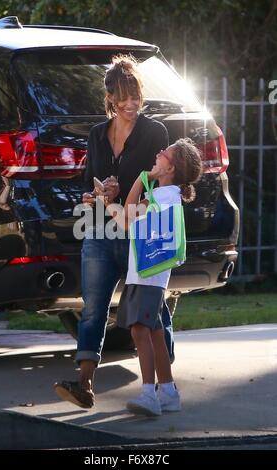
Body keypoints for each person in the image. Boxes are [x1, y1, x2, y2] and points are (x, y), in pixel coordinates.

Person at [54, 54, 174, 408]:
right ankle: (84, 385)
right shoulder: (96, 135)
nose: (131, 103)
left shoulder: (155, 132)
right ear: (109, 98)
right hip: (99, 231)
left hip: (139, 233)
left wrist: (121, 191)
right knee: (92, 309)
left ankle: (165, 387)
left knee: (153, 311)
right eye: (123, 97)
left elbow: (159, 182)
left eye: (135, 94)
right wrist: (94, 195)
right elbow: (86, 186)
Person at [101, 138, 202, 416]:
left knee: (139, 330)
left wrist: (139, 179)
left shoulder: (163, 196)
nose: (158, 153)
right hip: (149, 275)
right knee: (155, 333)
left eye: (164, 153)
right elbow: (126, 219)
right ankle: (168, 392)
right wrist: (109, 202)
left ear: (171, 168)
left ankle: (149, 394)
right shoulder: (162, 196)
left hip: (147, 275)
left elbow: (128, 216)